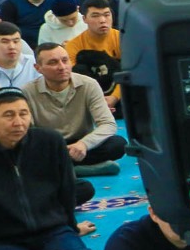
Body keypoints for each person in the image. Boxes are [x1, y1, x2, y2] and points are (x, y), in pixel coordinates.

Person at [0, 87, 99, 250]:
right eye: (8, 115)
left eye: (23, 113)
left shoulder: (49, 141)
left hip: (51, 229)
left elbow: (66, 190)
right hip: (4, 239)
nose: (18, 122)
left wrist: (71, 227)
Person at [24, 43, 126, 178]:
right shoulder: (27, 92)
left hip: (82, 142)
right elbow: (27, 132)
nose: (62, 67)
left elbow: (108, 124)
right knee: (25, 150)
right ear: (38, 68)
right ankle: (81, 169)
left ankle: (60, 169)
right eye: (53, 63)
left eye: (65, 60)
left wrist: (84, 144)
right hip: (50, 145)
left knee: (118, 144)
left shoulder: (89, 84)